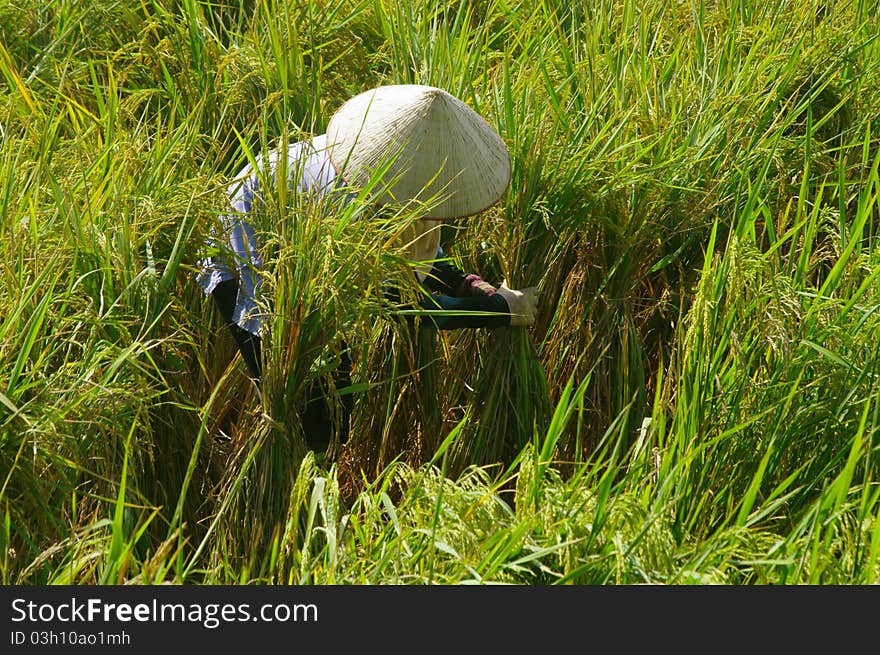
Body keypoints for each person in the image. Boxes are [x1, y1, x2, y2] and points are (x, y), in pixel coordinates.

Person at [197, 84, 539, 446]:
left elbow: (414, 248)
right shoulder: (354, 205)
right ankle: (284, 482)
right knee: (308, 398)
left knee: (337, 390)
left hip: (308, 249)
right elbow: (407, 307)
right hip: (249, 246)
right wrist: (500, 309)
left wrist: (467, 284)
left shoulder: (404, 178)